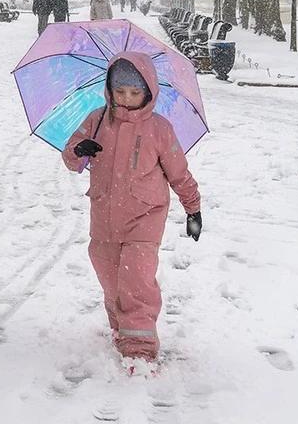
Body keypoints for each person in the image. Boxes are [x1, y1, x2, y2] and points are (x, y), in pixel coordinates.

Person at [62, 52, 201, 371]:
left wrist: (193, 208)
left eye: (135, 93)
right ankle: (121, 328)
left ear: (148, 92)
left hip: (145, 217)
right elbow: (72, 158)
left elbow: (179, 173)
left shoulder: (160, 129)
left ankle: (139, 348)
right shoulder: (96, 120)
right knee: (110, 279)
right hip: (104, 216)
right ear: (109, 90)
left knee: (136, 280)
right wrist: (79, 151)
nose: (126, 99)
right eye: (119, 92)